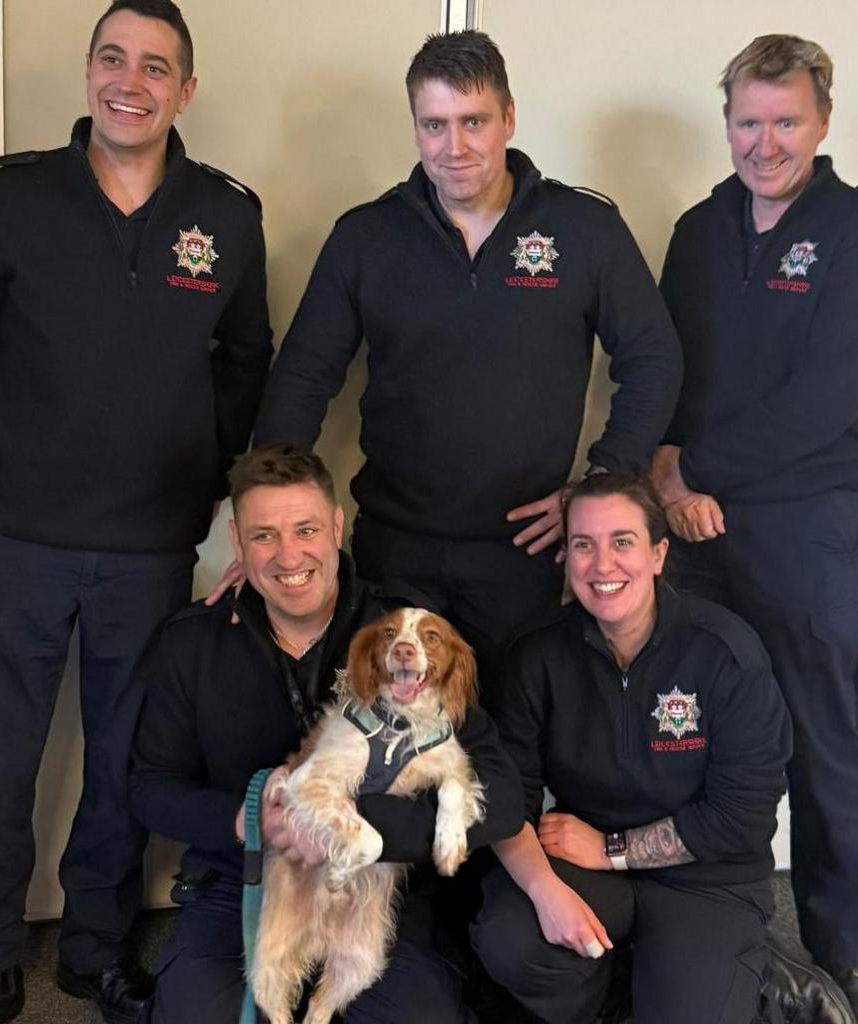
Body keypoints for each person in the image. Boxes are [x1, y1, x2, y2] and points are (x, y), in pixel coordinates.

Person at [0, 2, 272, 1021]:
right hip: (12, 541)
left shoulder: (226, 216)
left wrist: (214, 494)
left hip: (153, 551)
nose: (130, 81)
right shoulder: (7, 201)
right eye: (113, 59)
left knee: (125, 765)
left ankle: (96, 945)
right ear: (87, 72)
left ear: (184, 90)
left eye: (156, 67)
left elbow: (248, 364)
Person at [249, 30, 682, 681]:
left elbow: (655, 358)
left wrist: (595, 487)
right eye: (435, 125)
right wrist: (269, 517)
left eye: (473, 122)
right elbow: (304, 378)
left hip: (522, 558)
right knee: (387, 757)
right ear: (416, 127)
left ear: (508, 118)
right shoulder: (366, 238)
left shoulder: (582, 230)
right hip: (392, 553)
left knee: (504, 754)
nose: (454, 148)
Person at [650, 34, 858, 1024]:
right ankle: (714, 930)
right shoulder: (696, 229)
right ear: (727, 123)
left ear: (823, 121)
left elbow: (826, 396)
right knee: (699, 740)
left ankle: (848, 956)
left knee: (821, 745)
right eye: (747, 122)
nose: (764, 142)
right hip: (699, 527)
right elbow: (667, 368)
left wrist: (695, 469)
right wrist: (669, 485)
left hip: (807, 528)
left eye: (784, 121)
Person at [130, 445, 523, 1024]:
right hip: (246, 880)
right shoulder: (191, 644)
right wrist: (245, 819)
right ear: (237, 544)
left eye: (307, 529)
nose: (289, 555)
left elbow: (504, 796)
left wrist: (370, 832)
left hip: (383, 888)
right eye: (264, 535)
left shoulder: (407, 635)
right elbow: (150, 788)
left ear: (337, 527)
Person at [472, 473, 793, 1023]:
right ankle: (611, 1000)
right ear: (567, 556)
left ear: (659, 554)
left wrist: (611, 848)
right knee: (511, 941)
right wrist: (547, 891)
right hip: (583, 866)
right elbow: (505, 801)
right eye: (583, 545)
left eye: (622, 542)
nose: (602, 565)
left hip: (706, 877)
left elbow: (740, 817)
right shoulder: (536, 654)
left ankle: (752, 973)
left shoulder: (725, 651)